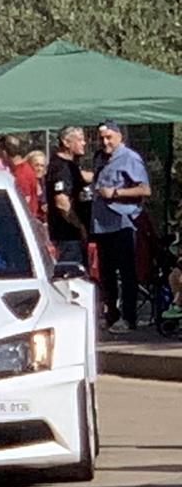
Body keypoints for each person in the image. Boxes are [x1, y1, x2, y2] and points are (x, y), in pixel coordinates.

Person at [90, 120, 151, 331]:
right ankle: (111, 315)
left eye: (109, 138)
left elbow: (144, 189)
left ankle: (129, 317)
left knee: (126, 273)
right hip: (102, 224)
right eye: (102, 138)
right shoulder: (100, 158)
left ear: (119, 137)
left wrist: (116, 193)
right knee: (106, 274)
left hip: (123, 223)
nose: (105, 142)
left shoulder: (130, 158)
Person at [43, 126, 90, 269]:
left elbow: (82, 178)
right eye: (80, 140)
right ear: (66, 142)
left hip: (74, 236)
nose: (84, 143)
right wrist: (79, 225)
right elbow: (61, 202)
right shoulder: (60, 167)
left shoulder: (71, 165)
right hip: (67, 236)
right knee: (71, 274)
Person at [13, 147, 44, 221]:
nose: (39, 169)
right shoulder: (24, 178)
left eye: (42, 165)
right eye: (36, 165)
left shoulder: (45, 183)